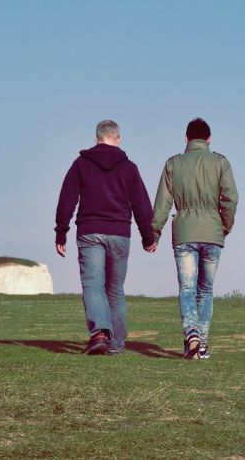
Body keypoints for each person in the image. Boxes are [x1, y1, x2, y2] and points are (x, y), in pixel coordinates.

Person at [55, 120, 156, 355]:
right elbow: (142, 205)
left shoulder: (81, 164)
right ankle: (116, 345)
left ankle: (100, 334)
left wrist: (61, 231)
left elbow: (66, 199)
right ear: (118, 139)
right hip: (120, 233)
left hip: (90, 231)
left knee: (93, 284)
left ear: (96, 138)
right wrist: (148, 237)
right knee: (115, 289)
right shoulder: (129, 167)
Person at [148, 118, 238, 359]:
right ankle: (202, 344)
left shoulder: (173, 164)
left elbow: (162, 203)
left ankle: (192, 335)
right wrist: (225, 226)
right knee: (205, 291)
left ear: (186, 139)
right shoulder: (221, 162)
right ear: (208, 139)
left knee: (187, 288)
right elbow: (231, 198)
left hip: (184, 233)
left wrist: (153, 232)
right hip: (212, 232)